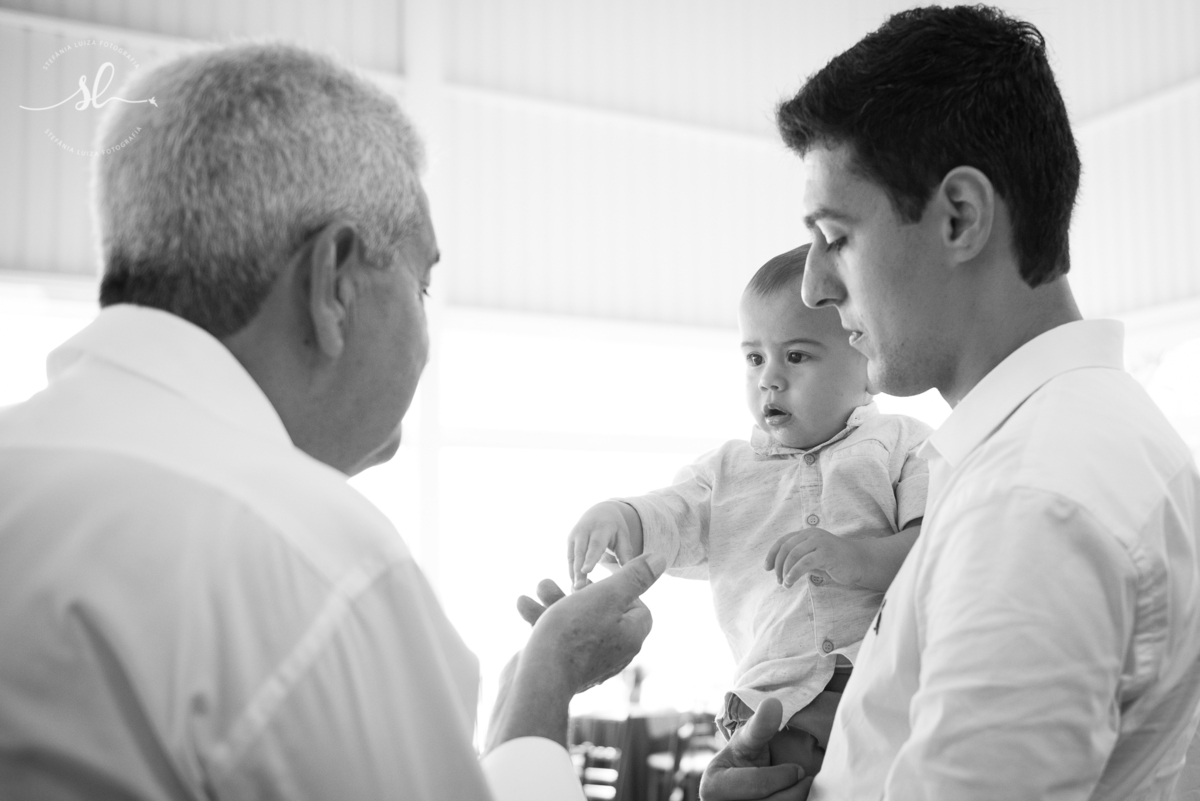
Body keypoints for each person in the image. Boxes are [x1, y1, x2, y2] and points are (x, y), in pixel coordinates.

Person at [0, 43, 666, 800]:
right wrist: (542, 691)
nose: (426, 335)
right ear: (334, 283)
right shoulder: (311, 564)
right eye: (420, 285)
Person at [702, 6, 1200, 801]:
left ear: (960, 217)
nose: (815, 287)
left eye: (836, 237)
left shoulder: (1031, 501)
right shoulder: (1078, 440)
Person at [567, 244, 930, 780]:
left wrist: (858, 559)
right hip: (772, 705)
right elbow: (671, 515)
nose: (769, 379)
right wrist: (621, 517)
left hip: (882, 680)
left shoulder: (903, 443)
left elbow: (932, 548)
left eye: (797, 356)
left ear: (868, 362)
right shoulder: (725, 471)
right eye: (755, 358)